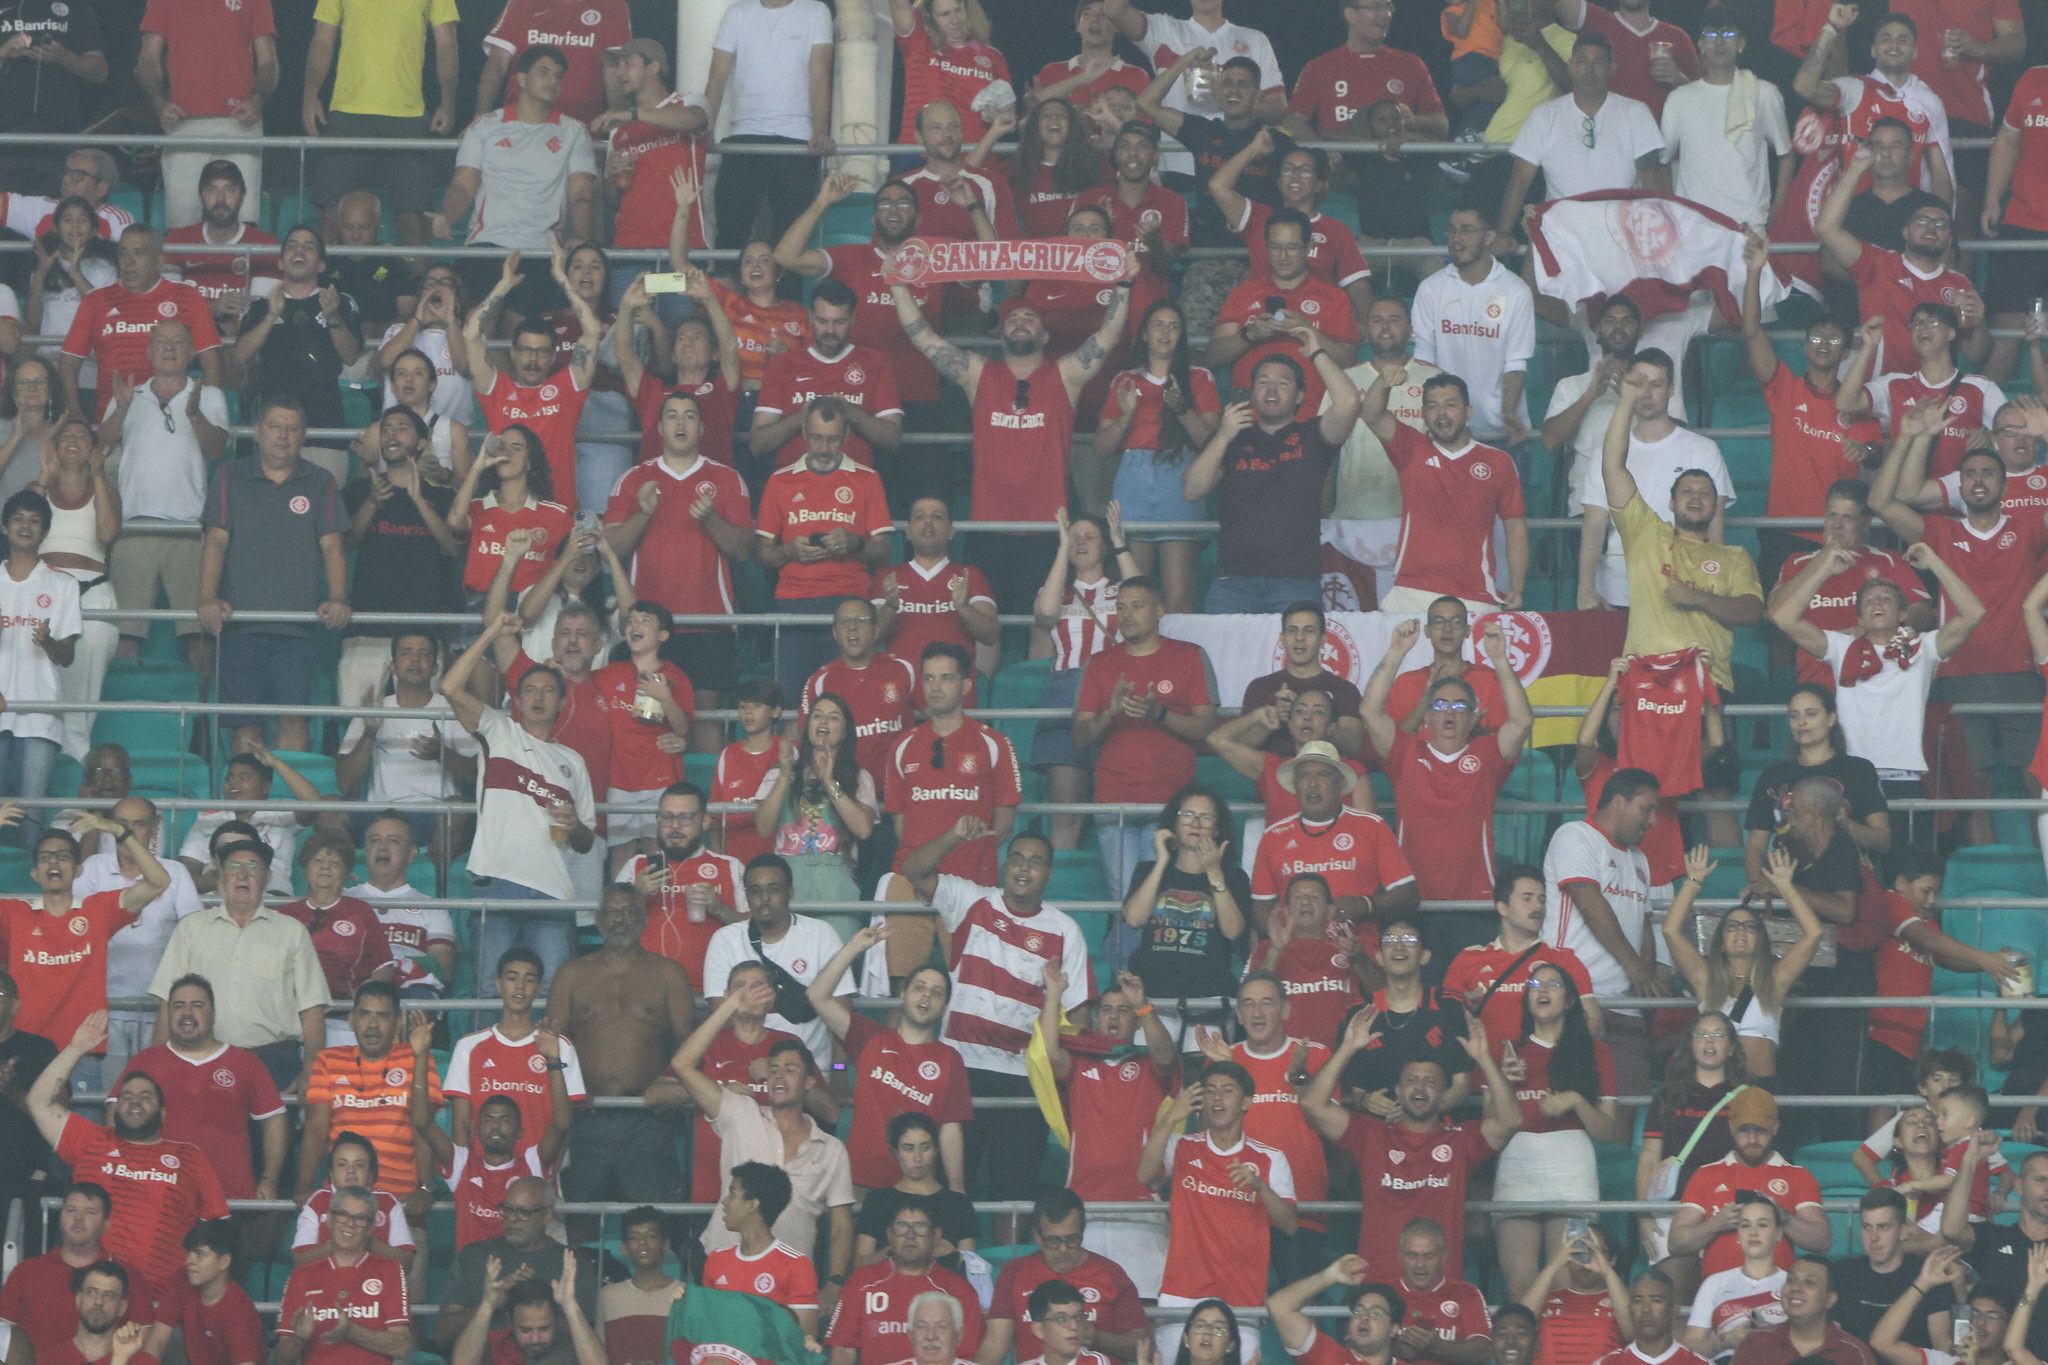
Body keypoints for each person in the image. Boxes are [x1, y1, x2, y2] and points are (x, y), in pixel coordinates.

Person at [900, 822, 1089, 1230]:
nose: (1023, 868)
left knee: (1013, 1192)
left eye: (1036, 862)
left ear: (1049, 874)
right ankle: (947, 1269)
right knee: (949, 1183)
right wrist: (953, 836)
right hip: (959, 1068)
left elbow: (1079, 1018)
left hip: (1023, 1077)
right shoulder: (973, 900)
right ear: (1005, 865)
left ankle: (1007, 1269)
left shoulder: (1065, 930)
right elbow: (913, 870)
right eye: (1016, 858)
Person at [1871, 415, 2048, 836]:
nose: (1979, 481)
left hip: (2022, 673)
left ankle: (2039, 871)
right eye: (1970, 474)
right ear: (1960, 486)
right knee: (1973, 790)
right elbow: (1880, 502)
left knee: (2036, 780)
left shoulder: (2029, 527)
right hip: (1958, 673)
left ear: (2006, 487)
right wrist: (1909, 437)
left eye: (1989, 473)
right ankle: (1982, 874)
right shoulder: (1940, 532)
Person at [26, 1013, 229, 1304]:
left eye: (146, 1096)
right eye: (127, 1096)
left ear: (163, 1113)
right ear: (115, 1108)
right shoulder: (92, 1140)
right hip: (88, 1296)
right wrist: (75, 1049)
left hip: (159, 1301)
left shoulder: (189, 1156)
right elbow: (39, 1102)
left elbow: (217, 1233)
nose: (135, 1101)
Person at [1303, 1012, 1521, 1280]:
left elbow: (1511, 1121)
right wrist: (1347, 1049)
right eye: (1411, 1080)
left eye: (1430, 1082)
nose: (1420, 1087)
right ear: (1398, 1090)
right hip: (1379, 1292)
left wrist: (1484, 1058)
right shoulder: (1371, 1136)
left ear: (1443, 1095)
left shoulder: (1461, 1141)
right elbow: (1312, 1106)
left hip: (1441, 1291)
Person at [668, 978, 854, 1291]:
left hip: (792, 1280)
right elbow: (683, 1065)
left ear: (810, 1082)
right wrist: (729, 1007)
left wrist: (835, 1284)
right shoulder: (741, 1114)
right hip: (726, 1271)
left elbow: (841, 1224)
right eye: (774, 1068)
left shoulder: (830, 1148)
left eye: (791, 1069)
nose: (779, 1075)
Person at [441, 612, 598, 974]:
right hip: (498, 880)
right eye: (530, 689)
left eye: (548, 690)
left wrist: (574, 824)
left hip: (554, 891)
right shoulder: (499, 730)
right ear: (517, 700)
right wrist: (493, 632)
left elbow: (586, 842)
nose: (539, 696)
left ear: (561, 703)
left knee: (548, 996)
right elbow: (450, 687)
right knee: (487, 991)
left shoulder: (573, 762)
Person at [194, 396, 349, 753]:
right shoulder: (229, 475)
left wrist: (339, 597)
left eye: (292, 429)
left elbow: (332, 546)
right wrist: (206, 597)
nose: (283, 436)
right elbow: (215, 541)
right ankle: (247, 811)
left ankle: (287, 809)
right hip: (240, 623)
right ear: (258, 432)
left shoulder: (320, 481)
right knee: (246, 726)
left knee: (293, 719)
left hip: (297, 626)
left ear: (303, 435)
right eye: (275, 428)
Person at [1364, 613, 1536, 911]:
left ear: (1473, 718)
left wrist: (1500, 660)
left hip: (1474, 901)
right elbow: (1370, 712)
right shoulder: (1405, 753)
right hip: (1411, 900)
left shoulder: (1486, 754)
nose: (1450, 713)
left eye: (1460, 706)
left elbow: (1521, 722)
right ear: (1427, 716)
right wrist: (1396, 652)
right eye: (1440, 705)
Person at [543, 884, 695, 1207]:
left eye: (629, 912)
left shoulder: (669, 974)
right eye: (612, 912)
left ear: (643, 920)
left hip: (648, 1120)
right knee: (579, 1222)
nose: (619, 920)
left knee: (653, 1222)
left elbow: (691, 1047)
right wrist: (572, 1094)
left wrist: (670, 1083)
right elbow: (552, 1047)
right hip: (586, 1119)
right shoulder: (571, 974)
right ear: (598, 919)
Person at [1137, 1062, 1296, 1363]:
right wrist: (1171, 1117)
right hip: (1180, 1290)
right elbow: (1144, 1174)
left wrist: (1261, 1188)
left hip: (1242, 1295)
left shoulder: (1270, 1158)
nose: (1217, 1098)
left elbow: (1289, 1224)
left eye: (1227, 1091)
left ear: (1247, 1101)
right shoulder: (1181, 1146)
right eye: (1210, 1091)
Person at [1072, 576, 1219, 896]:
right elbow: (1080, 736)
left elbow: (1206, 727)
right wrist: (1110, 713)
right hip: (1115, 802)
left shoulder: (1190, 655)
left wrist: (1160, 714)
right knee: (1128, 901)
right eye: (1121, 608)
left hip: (1172, 803)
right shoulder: (1098, 664)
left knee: (1164, 900)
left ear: (1160, 610)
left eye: (1137, 606)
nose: (1127, 615)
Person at [1184, 348, 1361, 614]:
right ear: (1252, 392)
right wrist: (1223, 435)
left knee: (1296, 657)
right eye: (1263, 382)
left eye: (1283, 382)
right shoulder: (1231, 439)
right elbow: (1191, 490)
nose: (1271, 389)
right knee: (1223, 656)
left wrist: (1316, 351)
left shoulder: (1311, 435)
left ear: (1300, 395)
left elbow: (1349, 403)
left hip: (1296, 582)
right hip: (1233, 582)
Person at [146, 838, 328, 1094]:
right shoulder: (192, 928)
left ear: (267, 877)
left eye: (253, 867)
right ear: (221, 875)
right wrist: (158, 1065)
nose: (242, 875)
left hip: (274, 1060)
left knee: (273, 1134)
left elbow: (312, 1008)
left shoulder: (292, 931)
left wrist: (311, 1070)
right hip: (204, 1057)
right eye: (233, 866)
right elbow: (168, 1000)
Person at [1487, 962, 1622, 1299]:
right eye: (1535, 983)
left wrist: (1575, 1101)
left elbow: (1607, 1130)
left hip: (1572, 1169)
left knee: (1568, 1285)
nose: (1543, 989)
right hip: (1518, 1165)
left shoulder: (1596, 1052)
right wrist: (1503, 1081)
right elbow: (1490, 1130)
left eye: (1553, 984)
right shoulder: (1508, 1054)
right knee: (1520, 1290)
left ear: (1571, 1000)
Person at [809, 926, 968, 1194]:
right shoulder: (870, 1037)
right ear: (903, 995)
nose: (927, 995)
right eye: (919, 987)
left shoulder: (950, 1059)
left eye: (937, 992)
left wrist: (957, 1192)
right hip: (859, 1180)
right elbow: (817, 996)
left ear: (945, 1007)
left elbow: (950, 1131)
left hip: (918, 1187)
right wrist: (854, 947)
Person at [754, 401, 895, 700]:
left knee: (848, 700)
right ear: (804, 432)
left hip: (850, 599)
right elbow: (762, 554)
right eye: (817, 438)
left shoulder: (867, 479)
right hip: (794, 601)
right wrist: (789, 551)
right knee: (793, 701)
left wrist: (853, 543)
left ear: (846, 437)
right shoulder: (780, 480)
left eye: (831, 439)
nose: (823, 447)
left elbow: (883, 551)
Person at [1661, 847, 1826, 1086]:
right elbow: (1670, 930)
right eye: (1732, 926)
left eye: (1750, 927)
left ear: (1760, 939)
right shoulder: (1706, 979)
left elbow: (1814, 933)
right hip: (1714, 1088)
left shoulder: (1774, 980)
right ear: (1721, 941)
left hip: (1760, 1090)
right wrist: (1694, 880)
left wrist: (1785, 887)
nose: (1741, 931)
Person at [1814, 144, 1981, 378]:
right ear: (1905, 232)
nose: (1932, 227)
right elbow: (1826, 228)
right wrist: (1855, 170)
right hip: (1879, 394)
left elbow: (1977, 356)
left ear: (1949, 240)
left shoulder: (1960, 284)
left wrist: (1979, 322)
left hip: (1930, 398)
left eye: (1941, 225)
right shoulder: (1878, 263)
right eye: (1922, 222)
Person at [299, 0, 458, 245]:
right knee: (332, 216)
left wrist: (448, 101)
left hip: (408, 115)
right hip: (348, 112)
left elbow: (447, 42)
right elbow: (322, 39)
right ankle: (327, 283)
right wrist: (310, 95)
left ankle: (417, 284)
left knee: (414, 219)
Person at [435, 49, 597, 286]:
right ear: (521, 79)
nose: (553, 80)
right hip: (487, 243)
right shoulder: (485, 126)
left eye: (558, 76)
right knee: (479, 320)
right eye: (544, 72)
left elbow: (581, 193)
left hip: (544, 249)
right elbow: (463, 184)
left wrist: (581, 238)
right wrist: (446, 216)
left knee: (529, 323)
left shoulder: (574, 131)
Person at [125, 975, 287, 1203]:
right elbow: (116, 1117)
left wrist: (269, 1181)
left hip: (231, 1199)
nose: (187, 1012)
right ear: (168, 1014)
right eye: (178, 1006)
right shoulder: (145, 1062)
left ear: (213, 1013)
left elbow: (274, 1120)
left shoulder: (245, 1063)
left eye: (197, 1005)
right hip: (159, 1198)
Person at [1032, 509, 1138, 850]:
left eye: (1089, 536)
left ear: (1103, 546)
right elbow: (1046, 614)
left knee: (1115, 813)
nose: (1081, 542)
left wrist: (1120, 543)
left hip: (1114, 697)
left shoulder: (1120, 590)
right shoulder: (1055, 591)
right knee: (1066, 815)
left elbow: (1142, 602)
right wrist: (1063, 548)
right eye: (1074, 536)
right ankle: (1061, 894)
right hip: (1066, 695)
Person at [1498, 32, 1668, 241]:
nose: (1589, 70)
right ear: (1570, 66)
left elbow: (1651, 180)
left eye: (1598, 62)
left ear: (1612, 68)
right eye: (1582, 61)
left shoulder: (1636, 112)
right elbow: (1519, 179)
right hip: (1562, 233)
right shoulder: (1544, 115)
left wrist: (1659, 234)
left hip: (1621, 232)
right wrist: (1503, 232)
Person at [297, 982, 439, 1230]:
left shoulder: (417, 1058)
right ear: (351, 1020)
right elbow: (315, 1127)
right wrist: (304, 1185)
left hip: (402, 1206)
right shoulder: (328, 1060)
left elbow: (423, 1126)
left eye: (382, 1016)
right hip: (342, 1207)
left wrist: (425, 1187)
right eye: (365, 1014)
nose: (372, 1025)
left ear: (397, 1022)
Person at [701, 0, 834, 251]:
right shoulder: (737, 12)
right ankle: (725, 289)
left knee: (792, 235)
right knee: (730, 231)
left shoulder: (816, 11)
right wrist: (706, 130)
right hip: (743, 136)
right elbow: (716, 76)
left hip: (798, 140)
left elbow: (820, 72)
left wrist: (820, 131)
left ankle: (788, 291)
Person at [1120, 785, 1250, 1032]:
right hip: (1151, 999)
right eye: (1188, 815)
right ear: (1174, 823)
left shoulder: (1234, 877)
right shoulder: (1147, 870)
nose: (1196, 824)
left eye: (1206, 817)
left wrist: (1213, 870)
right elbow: (1134, 919)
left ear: (1218, 828)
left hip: (1210, 1001)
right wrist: (1162, 862)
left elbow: (1234, 931)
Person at [1250, 739, 1417, 931]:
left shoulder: (1371, 826)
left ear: (1340, 783)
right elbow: (1260, 908)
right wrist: (1287, 934)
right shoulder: (1274, 835)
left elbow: (1408, 895)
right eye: (1304, 776)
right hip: (1293, 951)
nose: (1313, 783)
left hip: (1358, 952)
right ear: (1295, 786)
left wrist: (1364, 904)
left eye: (1323, 775)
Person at [135, 0, 274, 228]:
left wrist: (258, 100)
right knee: (181, 225)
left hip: (239, 123)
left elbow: (268, 62)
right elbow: (147, 60)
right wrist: (160, 104)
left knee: (243, 222)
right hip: (184, 123)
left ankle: (239, 266)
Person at [1668, 1090, 1831, 1279]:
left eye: (1761, 1130)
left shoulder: (1798, 1175)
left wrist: (1781, 1216)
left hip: (1777, 1298)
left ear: (1775, 1128)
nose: (1752, 1139)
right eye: (1744, 1130)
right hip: (1720, 1297)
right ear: (1730, 1127)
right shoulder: (1706, 1174)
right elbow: (1675, 1243)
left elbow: (1822, 1240)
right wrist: (1716, 1224)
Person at [445, 947, 585, 1168]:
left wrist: (549, 1176)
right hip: (483, 1176)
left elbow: (564, 1123)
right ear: (498, 984)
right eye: (512, 978)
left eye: (529, 979)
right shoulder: (468, 1047)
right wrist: (464, 1177)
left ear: (539, 988)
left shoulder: (559, 1046)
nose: (520, 986)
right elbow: (461, 1122)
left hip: (537, 1178)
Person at [1411, 207, 1536, 448]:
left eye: (1466, 230)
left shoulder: (1515, 290)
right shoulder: (1431, 288)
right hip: (1444, 429)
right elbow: (1423, 358)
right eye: (1452, 231)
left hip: (1499, 432)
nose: (1456, 239)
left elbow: (1516, 363)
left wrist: (1508, 413)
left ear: (1489, 237)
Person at [1838, 306, 2007, 484]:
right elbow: (1846, 403)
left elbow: (2014, 433)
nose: (1922, 328)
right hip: (1905, 503)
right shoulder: (1895, 384)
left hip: (1961, 503)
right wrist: (1868, 348)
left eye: (1931, 322)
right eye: (1916, 324)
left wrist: (1989, 439)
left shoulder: (1980, 387)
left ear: (1951, 333)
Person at [981, 1191, 1150, 1365]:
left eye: (1072, 1239)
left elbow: (1144, 1346)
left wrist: (1095, 1338)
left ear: (1083, 1231)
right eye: (1053, 1241)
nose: (1063, 1249)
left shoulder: (1110, 1273)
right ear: (1037, 1237)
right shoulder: (1014, 1273)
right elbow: (995, 1346)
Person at [1658, 12, 1792, 228]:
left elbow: (1786, 155)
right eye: (1711, 34)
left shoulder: (1764, 93)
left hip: (1748, 229)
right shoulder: (1679, 99)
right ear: (1700, 44)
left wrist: (1776, 215)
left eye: (1728, 33)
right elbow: (1661, 162)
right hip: (1694, 228)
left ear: (1741, 43)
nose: (1719, 41)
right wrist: (1672, 215)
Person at [437, 1176, 598, 1349]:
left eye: (523, 1212)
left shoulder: (571, 1263)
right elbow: (444, 1334)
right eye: (507, 1209)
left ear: (547, 1216)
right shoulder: (475, 1256)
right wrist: (489, 1305)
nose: (512, 1218)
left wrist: (535, 1301)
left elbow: (589, 1344)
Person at [231, 227, 362, 435]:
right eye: (292, 246)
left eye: (308, 247)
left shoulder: (338, 301)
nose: (299, 251)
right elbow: (239, 356)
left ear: (321, 265)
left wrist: (333, 318)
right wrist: (270, 317)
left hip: (324, 427)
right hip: (274, 430)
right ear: (281, 262)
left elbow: (351, 356)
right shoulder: (261, 307)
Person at [826, 1195, 985, 1364]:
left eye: (920, 1227)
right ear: (889, 1234)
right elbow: (842, 1349)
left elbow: (966, 1356)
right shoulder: (862, 1282)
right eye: (902, 1227)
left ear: (936, 1236)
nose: (910, 1235)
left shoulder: (958, 1290)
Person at [276, 1180, 415, 1365]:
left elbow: (403, 1346)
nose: (350, 1224)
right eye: (343, 1215)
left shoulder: (389, 1270)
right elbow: (280, 1360)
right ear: (330, 1220)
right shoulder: (302, 1275)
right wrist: (299, 1339)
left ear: (371, 1227)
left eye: (359, 1218)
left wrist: (351, 1332)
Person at [874, 503, 999, 682]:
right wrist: (890, 607)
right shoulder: (887, 577)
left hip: (953, 689)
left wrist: (963, 607)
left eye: (938, 516)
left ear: (951, 530)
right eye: (919, 517)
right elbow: (874, 637)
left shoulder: (970, 575)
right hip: (900, 687)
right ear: (907, 531)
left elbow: (990, 634)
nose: (928, 522)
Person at [700, 1162, 820, 1331]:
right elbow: (707, 1327)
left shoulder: (796, 1265)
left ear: (753, 1204)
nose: (725, 1202)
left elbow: (804, 1342)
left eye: (732, 1193)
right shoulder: (716, 1260)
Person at [349, 813, 458, 998]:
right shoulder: (345, 900)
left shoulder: (432, 907)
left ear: (411, 854)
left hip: (409, 993)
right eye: (375, 840)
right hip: (356, 994)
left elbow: (443, 968)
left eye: (393, 841)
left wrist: (389, 971)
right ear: (366, 850)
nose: (382, 847)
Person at [1833, 1188, 1955, 1346]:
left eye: (1883, 1227)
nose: (1874, 1237)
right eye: (1867, 1227)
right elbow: (1831, 1344)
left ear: (1903, 1231)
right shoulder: (1843, 1272)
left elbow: (1942, 1349)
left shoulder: (1929, 1275)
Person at [1685, 1194, 1790, 1358]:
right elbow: (1690, 1347)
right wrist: (1725, 1340)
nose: (1753, 1232)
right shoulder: (1715, 1283)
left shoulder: (1791, 1284)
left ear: (1778, 1233)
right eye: (1745, 1225)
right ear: (1738, 1234)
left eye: (1762, 1225)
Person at [1382, 1218, 1496, 1365]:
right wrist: (1395, 1349)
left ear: (1443, 1257)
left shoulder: (1466, 1293)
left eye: (1428, 1256)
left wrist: (1437, 1347)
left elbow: (1484, 1350)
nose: (1420, 1264)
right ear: (1399, 1256)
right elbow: (1357, 1343)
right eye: (1412, 1255)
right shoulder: (1382, 1293)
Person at [450, 1259, 604, 1365]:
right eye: (526, 1330)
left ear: (556, 1320)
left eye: (544, 1328)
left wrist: (570, 1304)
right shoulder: (496, 1347)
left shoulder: (572, 1349)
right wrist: (487, 1305)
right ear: (510, 1322)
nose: (535, 1338)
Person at [1521, 1225, 1632, 1365]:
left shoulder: (1619, 1301)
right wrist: (1554, 1265)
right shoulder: (1546, 1299)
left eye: (1594, 1251)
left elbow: (1633, 1333)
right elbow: (1521, 1320)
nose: (1586, 1259)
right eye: (1579, 1251)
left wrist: (1607, 1270)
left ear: (1612, 1259)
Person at [1728, 1260, 1875, 1365]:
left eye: (1809, 1282)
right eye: (1790, 1280)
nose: (1795, 1288)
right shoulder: (1755, 1344)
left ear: (1829, 1299)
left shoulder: (1854, 1353)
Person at [159, 1219, 262, 1365]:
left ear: (224, 1262)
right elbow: (156, 1342)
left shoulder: (237, 1309)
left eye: (199, 1254)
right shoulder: (182, 1278)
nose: (189, 1260)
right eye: (189, 1253)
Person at [598, 1207, 680, 1363]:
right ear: (624, 1248)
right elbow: (599, 1355)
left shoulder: (686, 1294)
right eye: (634, 1237)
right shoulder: (608, 1296)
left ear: (665, 1245)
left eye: (651, 1236)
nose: (643, 1243)